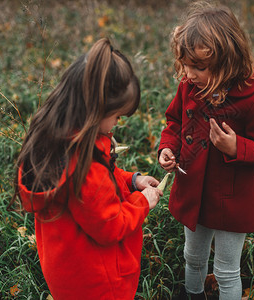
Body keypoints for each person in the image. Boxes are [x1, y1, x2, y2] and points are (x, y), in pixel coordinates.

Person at [10, 38, 162, 300]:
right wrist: (143, 201)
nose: (117, 124)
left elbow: (102, 185)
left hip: (68, 273)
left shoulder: (59, 141)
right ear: (96, 109)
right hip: (98, 282)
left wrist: (131, 181)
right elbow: (110, 224)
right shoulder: (85, 164)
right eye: (116, 116)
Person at [158, 2, 254, 299]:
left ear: (227, 62)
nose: (188, 73)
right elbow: (174, 120)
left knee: (227, 269)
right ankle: (193, 294)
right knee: (193, 255)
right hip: (194, 192)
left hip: (233, 199)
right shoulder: (189, 87)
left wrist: (236, 146)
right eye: (185, 65)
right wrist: (168, 147)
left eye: (198, 67)